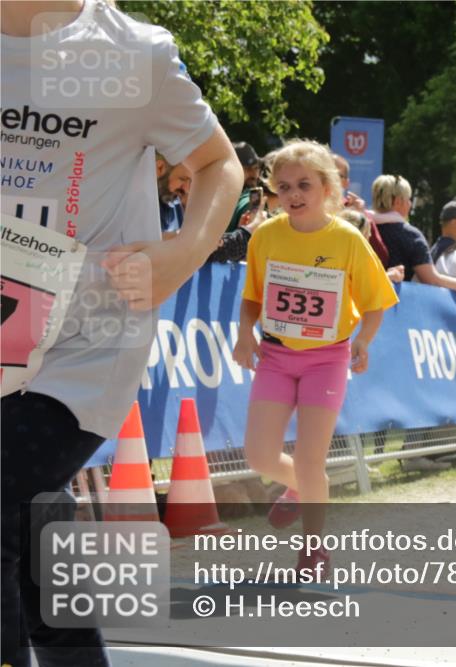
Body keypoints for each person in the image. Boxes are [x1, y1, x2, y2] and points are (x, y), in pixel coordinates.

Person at [2, 2, 244, 665]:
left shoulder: (133, 52)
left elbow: (219, 165)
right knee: (34, 554)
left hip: (84, 343)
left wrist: (182, 252)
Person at [232, 139, 398, 575]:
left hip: (327, 358)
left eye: (304, 184)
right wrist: (245, 334)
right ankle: (303, 489)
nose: (293, 194)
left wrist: (364, 340)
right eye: (283, 186)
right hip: (275, 355)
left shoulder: (346, 239)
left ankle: (314, 549)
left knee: (310, 460)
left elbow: (378, 300)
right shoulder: (265, 236)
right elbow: (252, 295)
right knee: (260, 456)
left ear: (327, 187)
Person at [370, 174, 456, 301]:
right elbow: (431, 280)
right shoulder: (410, 235)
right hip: (397, 306)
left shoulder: (363, 227)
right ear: (398, 202)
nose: (410, 204)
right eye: (408, 199)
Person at [224, 141, 262, 233]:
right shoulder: (219, 196)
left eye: (256, 168)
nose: (254, 175)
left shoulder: (254, 197)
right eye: (247, 169)